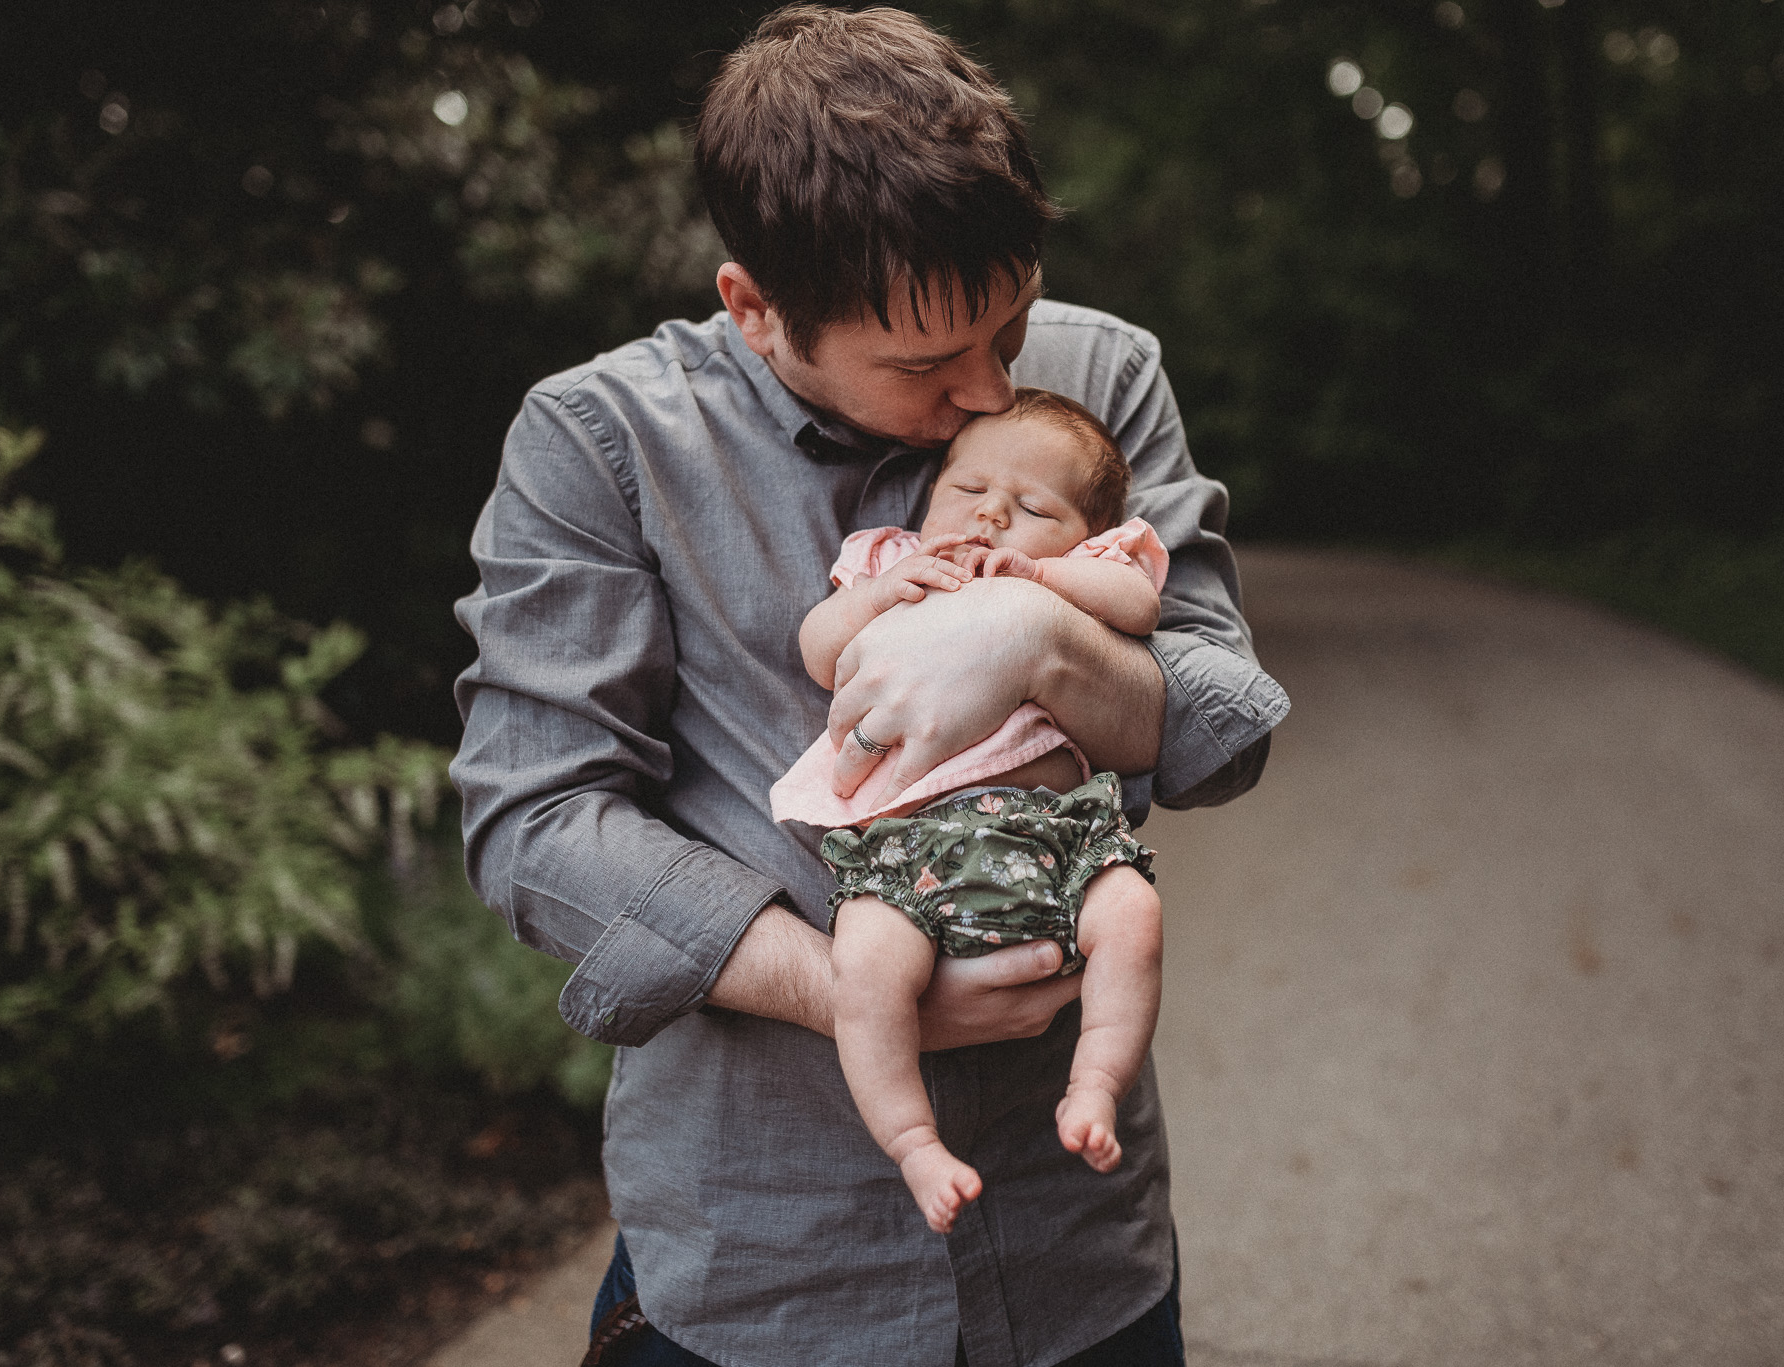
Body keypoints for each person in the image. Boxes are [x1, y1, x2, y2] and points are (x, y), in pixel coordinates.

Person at [449, 6, 1289, 1365]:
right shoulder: (602, 441)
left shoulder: (1102, 376)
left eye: (1008, 323)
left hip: (1074, 1250)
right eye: (925, 363)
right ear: (755, 304)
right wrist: (848, 985)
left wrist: (1035, 642)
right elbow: (535, 827)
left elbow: (1221, 732)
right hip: (762, 1260)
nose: (989, 389)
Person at [774, 390, 1168, 1235]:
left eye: (1031, 508)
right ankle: (914, 1140)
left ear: (1084, 531)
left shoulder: (1086, 569)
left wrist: (1040, 579)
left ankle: (1095, 1086)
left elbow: (1138, 608)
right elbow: (818, 648)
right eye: (967, 489)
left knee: (1133, 915)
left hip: (1055, 832)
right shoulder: (891, 556)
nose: (991, 513)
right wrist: (878, 596)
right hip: (908, 843)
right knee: (868, 966)